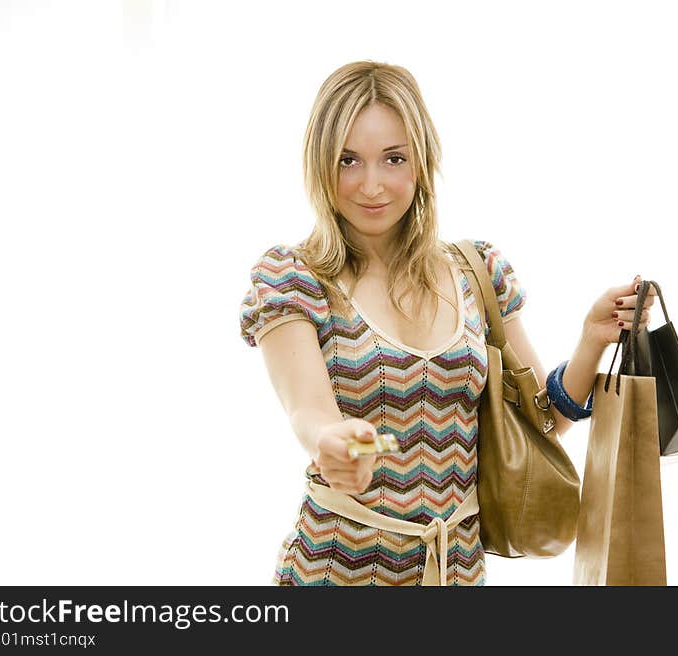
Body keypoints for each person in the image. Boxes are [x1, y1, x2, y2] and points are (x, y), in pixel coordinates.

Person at [238, 60, 656, 586]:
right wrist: (335, 442)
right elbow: (309, 411)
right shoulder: (294, 277)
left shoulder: (476, 273)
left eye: (393, 159)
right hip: (334, 573)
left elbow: (541, 425)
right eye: (348, 161)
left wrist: (592, 340)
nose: (371, 185)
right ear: (319, 165)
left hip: (456, 574)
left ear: (422, 161)